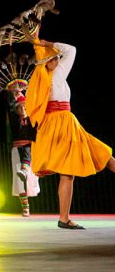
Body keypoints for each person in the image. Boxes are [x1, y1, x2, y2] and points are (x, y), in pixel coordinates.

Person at [25, 39, 115, 229]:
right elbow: (71, 50)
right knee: (89, 162)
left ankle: (64, 218)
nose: (59, 59)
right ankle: (64, 218)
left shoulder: (38, 80)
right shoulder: (56, 75)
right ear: (48, 61)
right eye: (55, 57)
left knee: (99, 155)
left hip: (54, 126)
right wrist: (47, 42)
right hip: (64, 124)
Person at [7, 86, 39, 217]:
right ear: (17, 110)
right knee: (18, 178)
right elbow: (10, 105)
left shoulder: (32, 120)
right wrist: (13, 92)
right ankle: (25, 208)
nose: (23, 110)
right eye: (21, 108)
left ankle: (25, 171)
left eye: (25, 107)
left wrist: (21, 92)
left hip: (28, 148)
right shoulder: (14, 120)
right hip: (16, 149)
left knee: (29, 176)